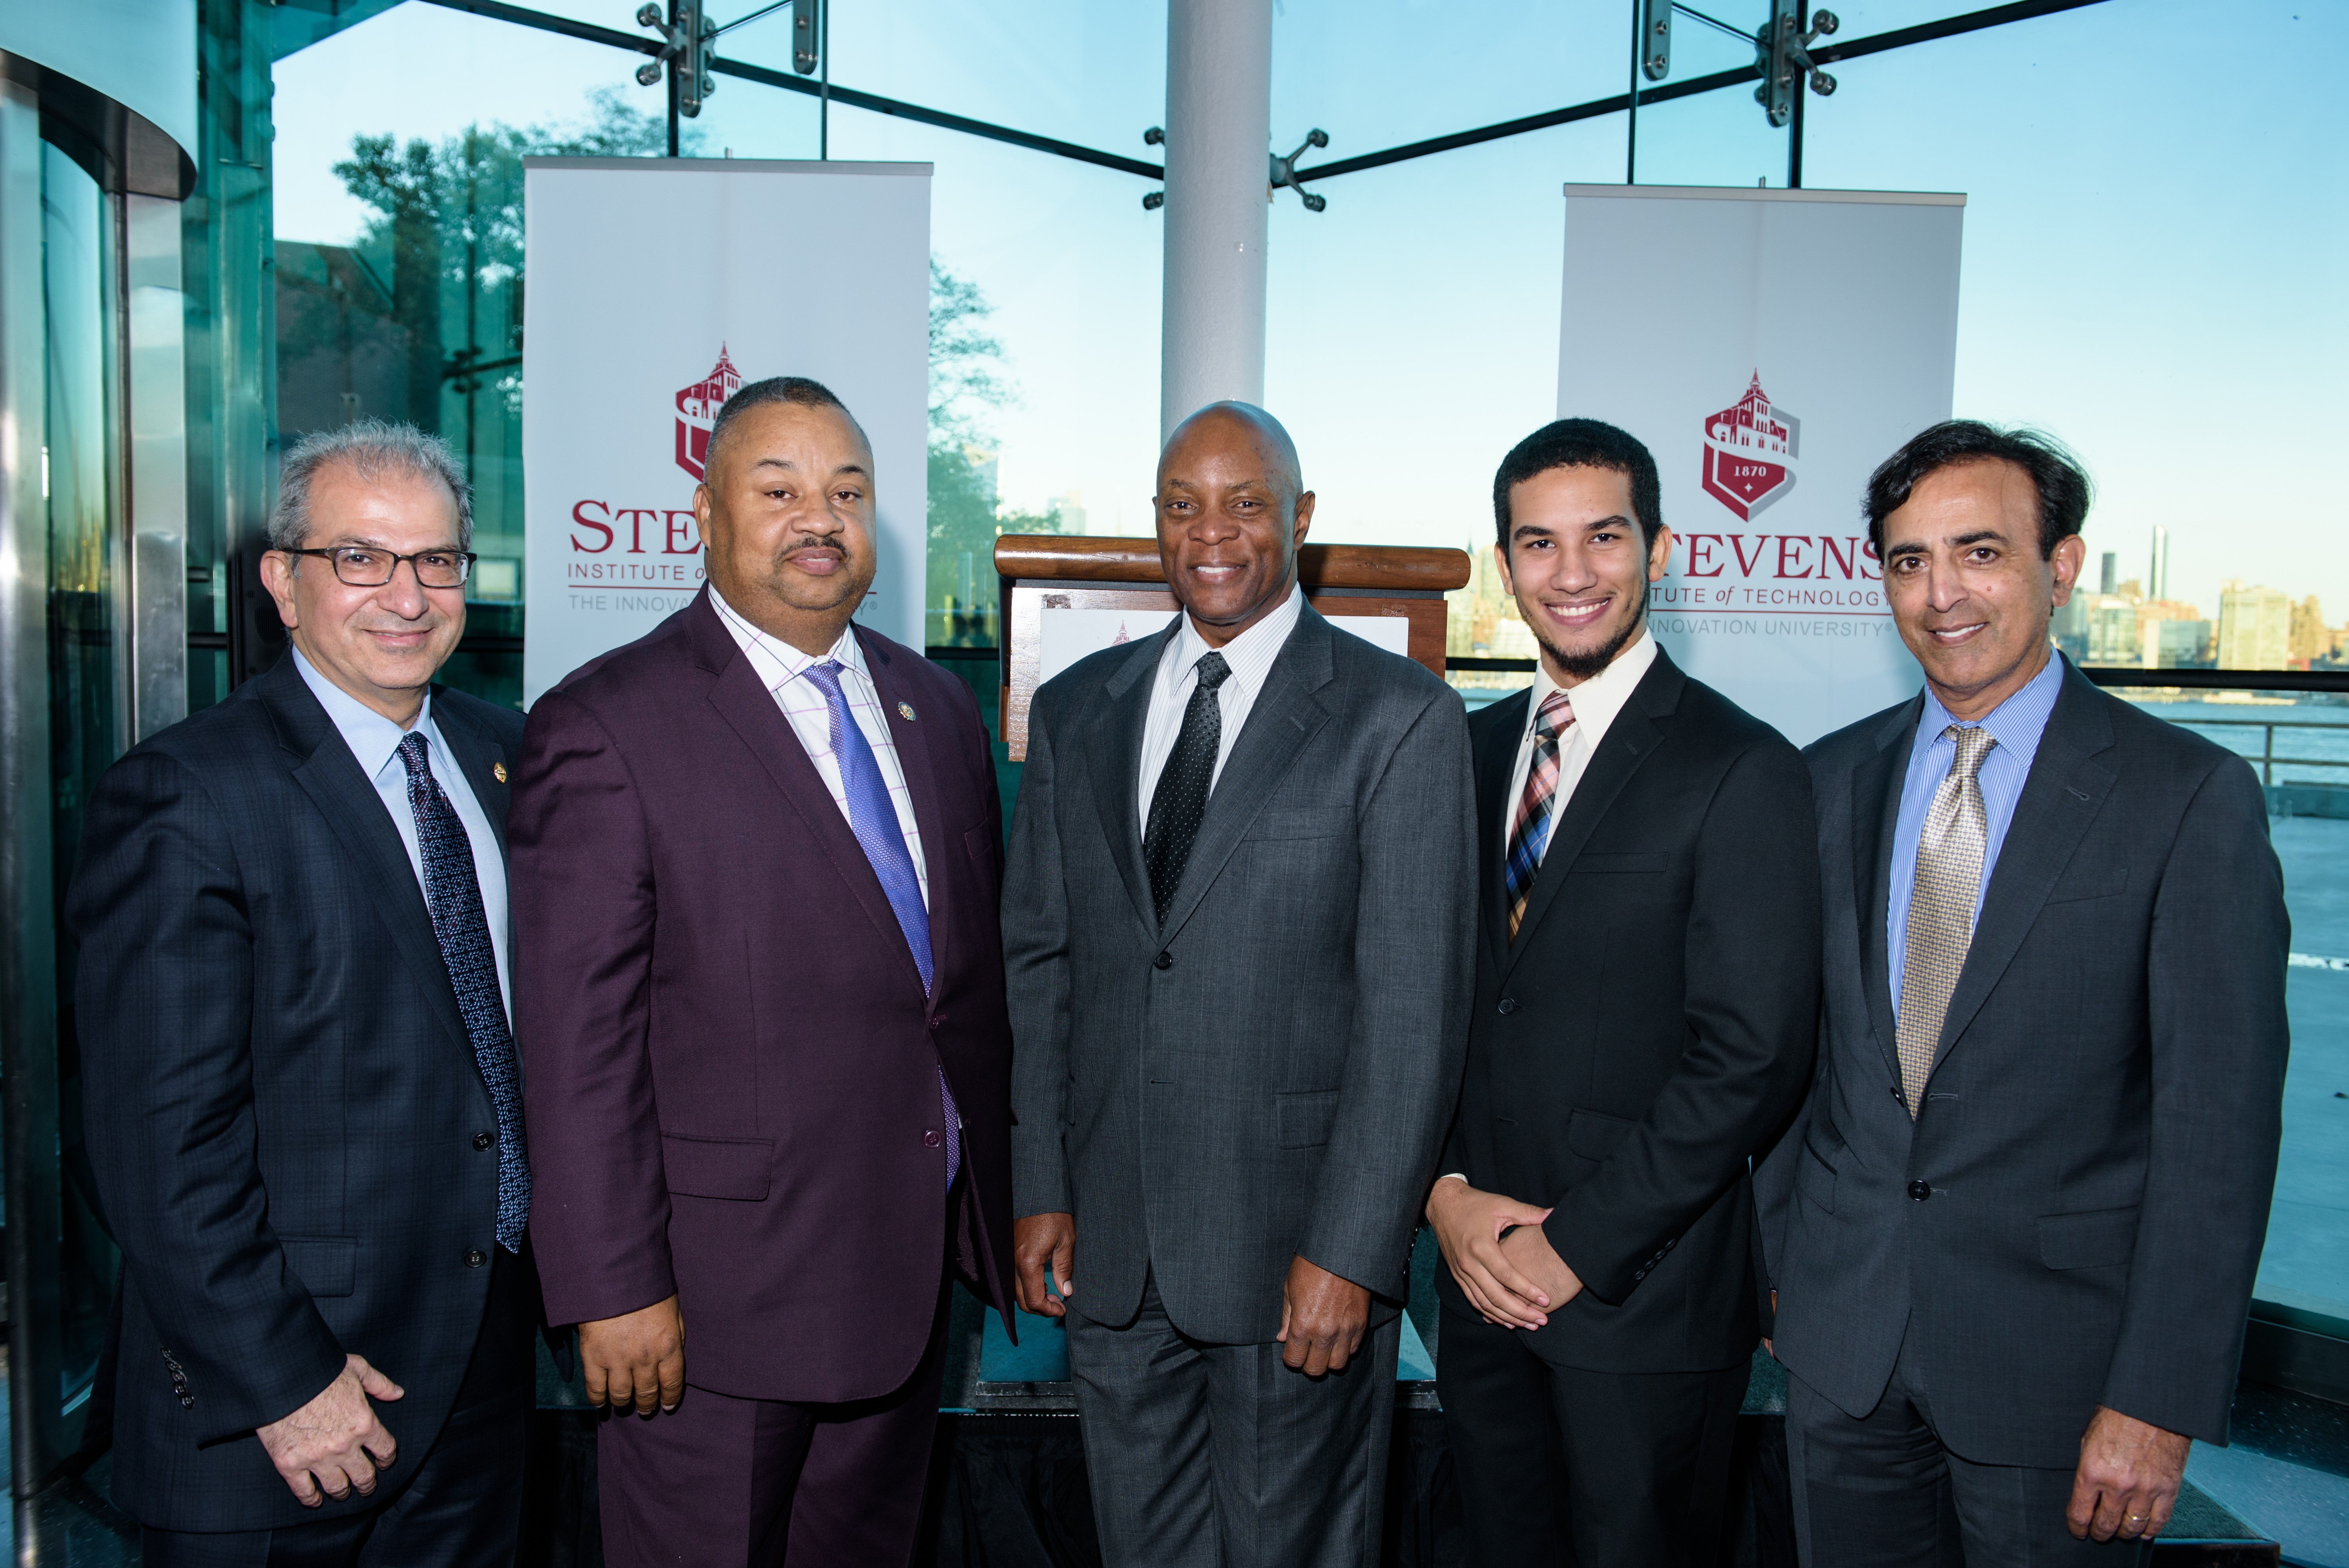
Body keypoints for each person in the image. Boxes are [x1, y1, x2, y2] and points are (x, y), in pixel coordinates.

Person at [1756, 420, 2289, 1564]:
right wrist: (1786, 1271)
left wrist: (2157, 1398)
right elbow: (1790, 1064)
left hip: (2064, 1380)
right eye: (1908, 560)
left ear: (2059, 568)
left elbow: (2217, 1130)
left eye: (1979, 552)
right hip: (1841, 1352)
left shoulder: (2184, 797)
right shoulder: (1825, 778)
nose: (1941, 593)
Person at [510, 375, 1016, 1566]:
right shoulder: (606, 726)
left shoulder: (934, 708)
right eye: (777, 487)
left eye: (846, 490)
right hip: (707, 1311)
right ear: (702, 513)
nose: (819, 518)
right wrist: (611, 1288)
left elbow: (956, 993)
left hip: (903, 1276)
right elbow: (577, 1051)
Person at [1003, 400, 1477, 1568]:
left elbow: (1411, 1016)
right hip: (1110, 1257)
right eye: (1180, 505)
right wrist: (1041, 1183)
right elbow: (1042, 965)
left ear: (1299, 519)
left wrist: (1354, 1252)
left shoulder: (1399, 718)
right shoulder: (1078, 710)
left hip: (1293, 1264)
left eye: (1243, 502)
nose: (1209, 531)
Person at [71, 422, 538, 1564]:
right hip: (278, 1411)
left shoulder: (510, 758)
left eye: (435, 561)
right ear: (284, 581)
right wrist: (286, 1381)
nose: (407, 595)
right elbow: (154, 1144)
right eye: (361, 559)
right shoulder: (187, 794)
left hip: (480, 1381)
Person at [1423, 419, 1820, 1567]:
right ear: (1505, 566)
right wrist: (1442, 1195)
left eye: (1603, 536)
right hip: (1475, 1278)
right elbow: (1433, 1001)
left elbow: (1752, 1057)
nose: (1572, 572)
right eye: (1537, 544)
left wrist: (1578, 1247)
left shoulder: (1740, 766)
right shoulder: (1463, 747)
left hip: (1638, 1303)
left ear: (1660, 549)